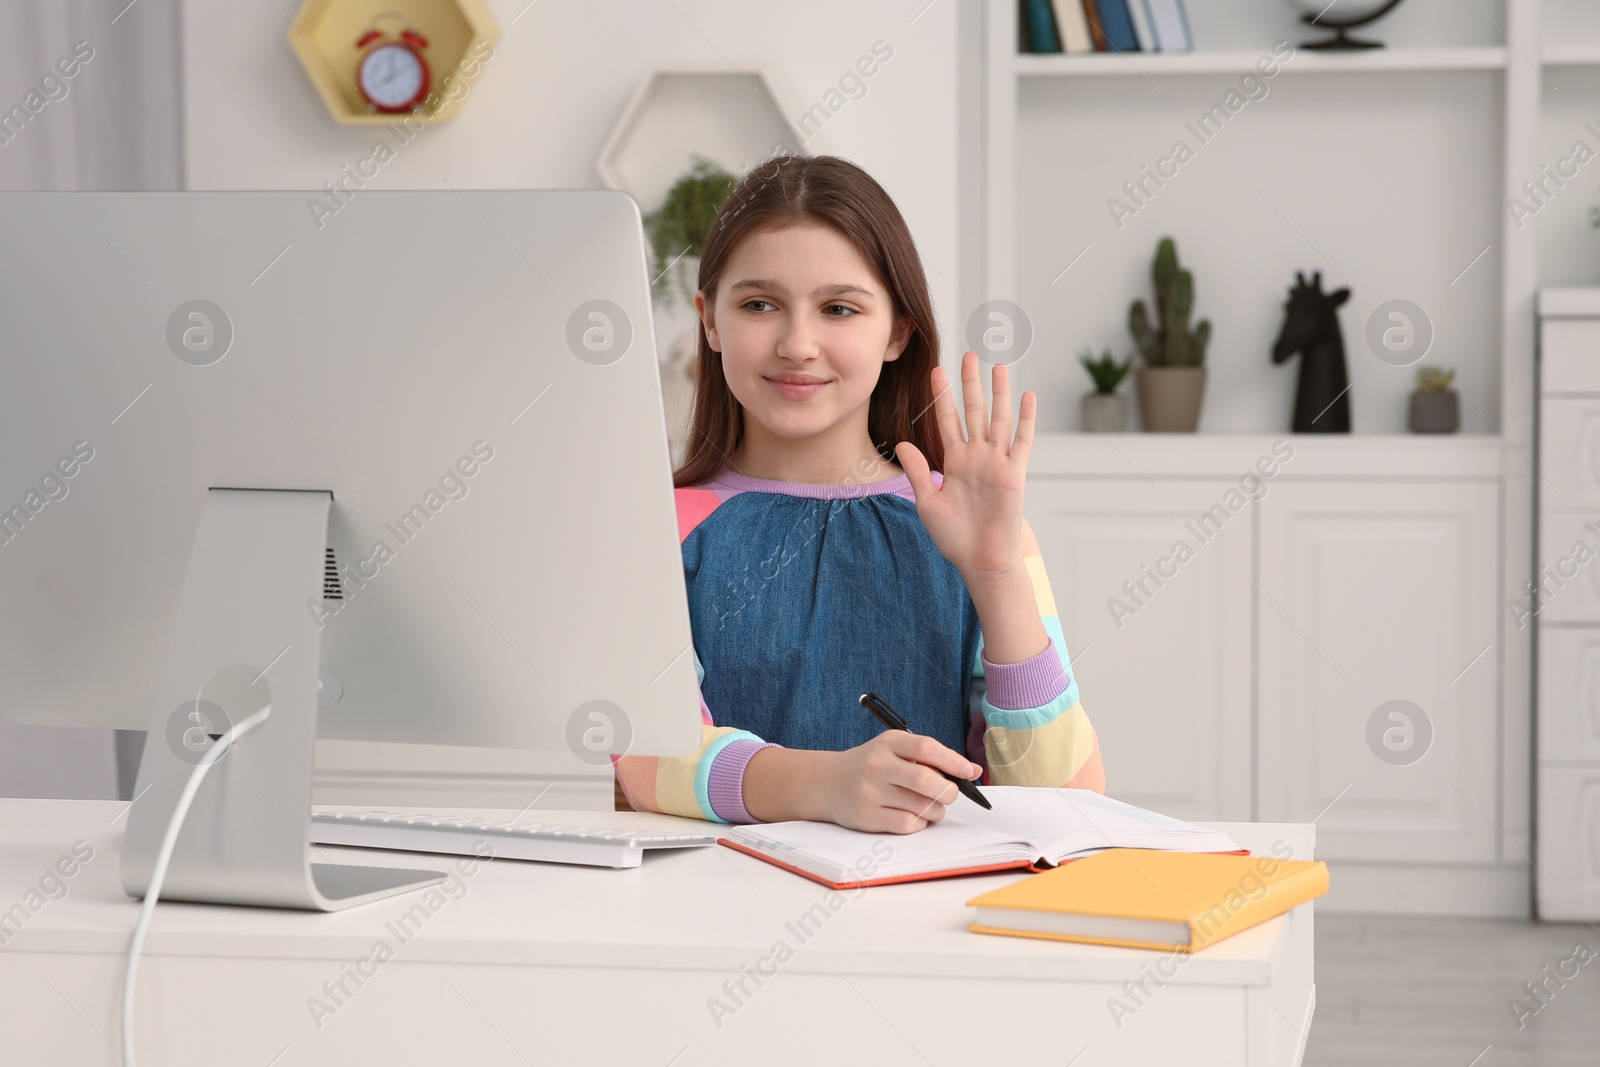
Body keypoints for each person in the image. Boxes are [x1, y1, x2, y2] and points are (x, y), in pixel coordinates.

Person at [614, 154, 1103, 834]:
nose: (798, 343)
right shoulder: (655, 530)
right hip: (714, 916)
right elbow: (650, 762)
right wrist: (831, 783)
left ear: (898, 330)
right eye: (759, 304)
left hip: (934, 918)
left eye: (839, 308)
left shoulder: (975, 528)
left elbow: (1069, 794)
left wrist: (995, 574)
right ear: (711, 322)